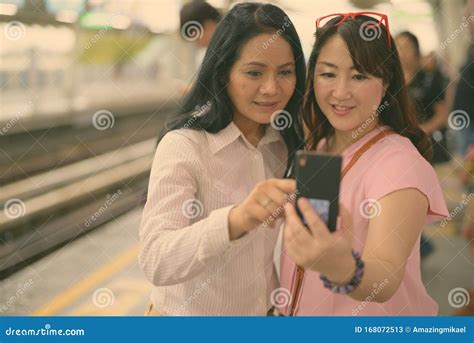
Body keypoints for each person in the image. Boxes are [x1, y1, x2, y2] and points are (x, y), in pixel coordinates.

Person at [139, 2, 306, 316]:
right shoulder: (185, 145)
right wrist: (235, 220)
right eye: (254, 72)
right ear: (223, 71)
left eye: (285, 72)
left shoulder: (285, 142)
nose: (271, 88)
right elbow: (155, 260)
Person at [278, 13, 448, 316]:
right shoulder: (319, 147)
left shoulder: (398, 163)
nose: (341, 92)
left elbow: (385, 274)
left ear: (386, 83)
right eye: (328, 74)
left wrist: (343, 268)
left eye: (359, 76)